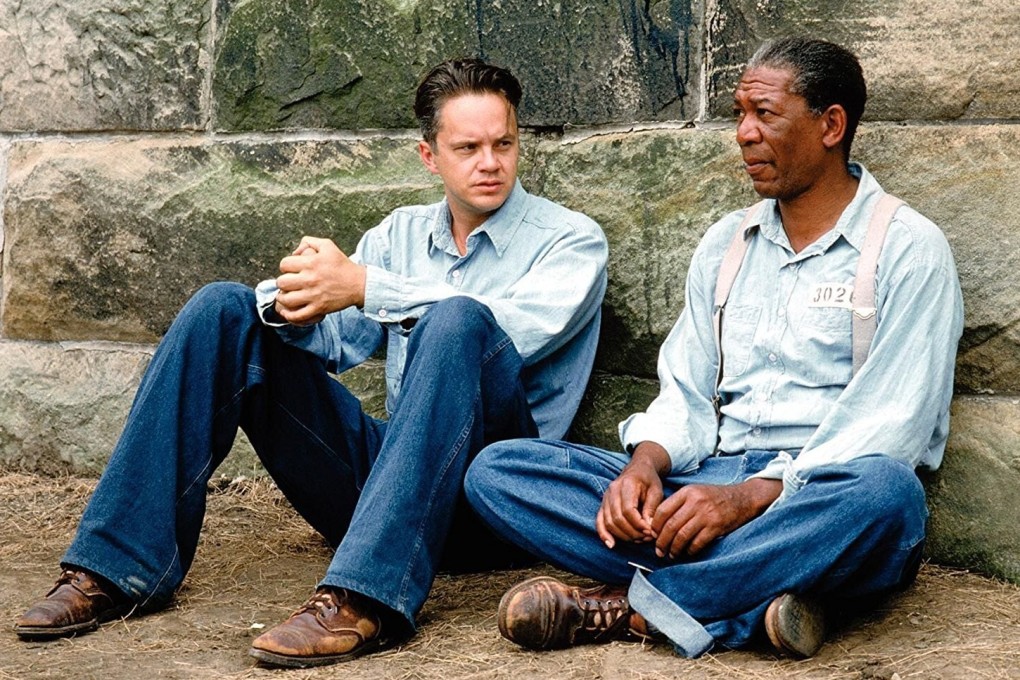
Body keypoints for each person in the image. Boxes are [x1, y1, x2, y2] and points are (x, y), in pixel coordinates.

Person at [15, 58, 608, 668]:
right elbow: (335, 341)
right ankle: (114, 569)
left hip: (495, 501)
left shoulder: (570, 240)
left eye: (503, 144)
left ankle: (361, 598)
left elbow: (517, 328)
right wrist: (295, 303)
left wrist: (364, 286)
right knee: (225, 308)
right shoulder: (399, 236)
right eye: (469, 147)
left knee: (459, 320)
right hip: (385, 490)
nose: (490, 162)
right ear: (430, 156)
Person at [465, 37, 963, 659]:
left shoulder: (909, 249)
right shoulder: (727, 244)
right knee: (499, 470)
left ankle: (636, 607)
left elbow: (893, 427)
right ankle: (766, 597)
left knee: (888, 497)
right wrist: (644, 467)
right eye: (738, 115)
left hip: (818, 494)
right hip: (706, 484)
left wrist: (751, 498)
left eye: (765, 114)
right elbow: (687, 391)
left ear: (831, 124)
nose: (744, 134)